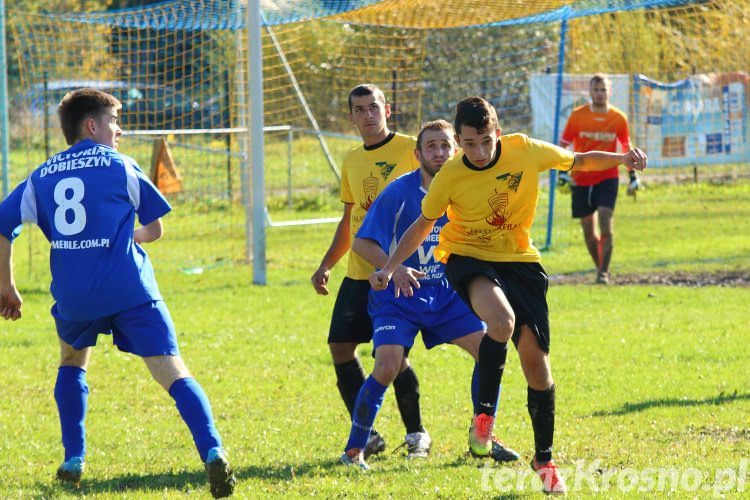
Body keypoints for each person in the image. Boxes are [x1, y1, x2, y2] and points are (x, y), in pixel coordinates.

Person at [369, 97, 647, 494]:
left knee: (538, 368)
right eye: (469, 144)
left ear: (497, 133)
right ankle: (483, 423)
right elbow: (420, 225)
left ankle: (545, 459)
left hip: (520, 261)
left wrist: (621, 159)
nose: (478, 152)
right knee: (500, 321)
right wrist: (389, 267)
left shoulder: (525, 150)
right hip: (467, 257)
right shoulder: (449, 175)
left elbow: (579, 160)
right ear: (459, 141)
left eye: (485, 141)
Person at [0, 89, 235, 498]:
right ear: (92, 125)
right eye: (114, 121)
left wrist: (7, 284)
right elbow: (155, 228)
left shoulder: (41, 174)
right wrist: (124, 237)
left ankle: (74, 458)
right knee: (174, 372)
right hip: (130, 289)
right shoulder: (119, 164)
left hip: (76, 295)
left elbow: (4, 225)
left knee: (72, 361)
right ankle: (213, 450)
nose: (120, 130)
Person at [340, 120, 520, 470]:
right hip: (399, 296)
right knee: (387, 366)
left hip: (448, 295)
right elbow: (361, 241)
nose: (439, 152)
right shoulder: (398, 191)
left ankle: (482, 439)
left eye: (444, 146)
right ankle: (353, 451)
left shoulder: (467, 188)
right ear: (418, 153)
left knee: (489, 352)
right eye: (431, 146)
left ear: (456, 149)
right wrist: (394, 268)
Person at [310, 84, 428, 459]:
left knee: (393, 358)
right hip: (360, 271)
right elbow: (350, 220)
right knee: (341, 346)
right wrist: (327, 263)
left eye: (373, 107)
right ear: (351, 117)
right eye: (359, 109)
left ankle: (416, 434)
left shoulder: (413, 148)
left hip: (398, 272)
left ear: (387, 110)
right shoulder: (351, 160)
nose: (368, 115)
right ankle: (369, 434)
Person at [559, 73, 642, 284]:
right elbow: (564, 144)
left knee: (606, 220)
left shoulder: (618, 118)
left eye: (603, 89)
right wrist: (562, 172)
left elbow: (626, 148)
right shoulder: (578, 116)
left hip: (608, 177)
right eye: (596, 89)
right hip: (581, 177)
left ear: (610, 92)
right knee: (588, 231)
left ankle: (603, 274)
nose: (599, 93)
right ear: (589, 92)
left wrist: (632, 176)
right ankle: (601, 268)